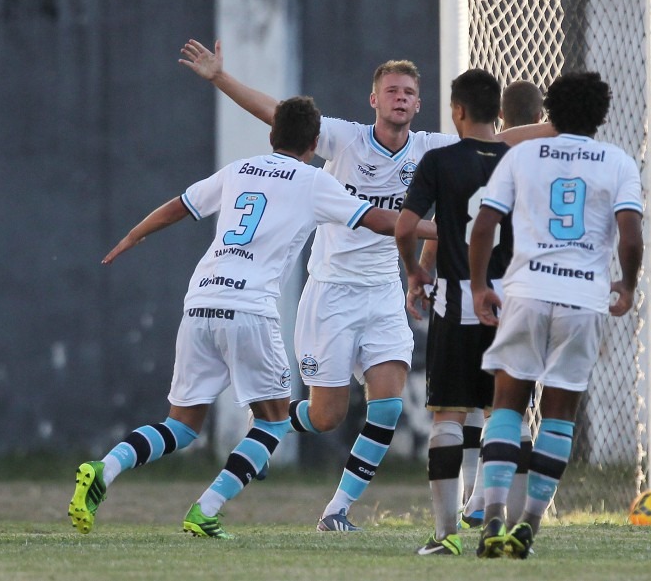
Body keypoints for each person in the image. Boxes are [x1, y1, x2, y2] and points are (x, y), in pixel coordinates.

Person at [179, 39, 554, 531]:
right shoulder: (343, 138)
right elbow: (277, 113)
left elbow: (497, 142)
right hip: (331, 292)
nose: (400, 97)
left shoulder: (430, 149)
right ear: (373, 100)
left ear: (419, 105)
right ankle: (273, 425)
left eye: (409, 92)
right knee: (327, 415)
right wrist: (219, 78)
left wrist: (563, 125)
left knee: (388, 404)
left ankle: (336, 511)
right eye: (391, 90)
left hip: (382, 293)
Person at [67, 96, 436, 539]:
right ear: (315, 142)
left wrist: (131, 237)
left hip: (200, 301)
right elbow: (379, 221)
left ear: (271, 136)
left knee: (180, 425)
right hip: (250, 309)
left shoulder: (240, 169)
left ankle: (104, 468)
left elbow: (179, 205)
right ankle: (207, 508)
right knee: (274, 421)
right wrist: (445, 229)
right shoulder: (313, 181)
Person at [468, 71, 644, 559]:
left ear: (551, 112)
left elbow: (485, 226)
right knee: (559, 413)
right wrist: (626, 285)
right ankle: (530, 522)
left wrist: (482, 285)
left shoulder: (521, 154)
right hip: (582, 298)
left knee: (507, 402)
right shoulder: (617, 161)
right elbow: (630, 236)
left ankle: (494, 515)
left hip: (524, 292)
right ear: (601, 115)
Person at [395, 68, 513, 556]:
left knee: (448, 415)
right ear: (499, 113)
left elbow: (405, 226)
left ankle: (446, 536)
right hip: (510, 302)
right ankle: (499, 523)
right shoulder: (518, 161)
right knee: (506, 414)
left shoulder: (439, 160)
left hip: (458, 300)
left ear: (457, 111)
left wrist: (414, 273)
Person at [459, 79, 546, 531]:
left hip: (471, 288)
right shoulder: (546, 160)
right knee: (512, 404)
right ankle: (502, 503)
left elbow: (457, 220)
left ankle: (477, 496)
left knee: (475, 402)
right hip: (524, 287)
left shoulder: (474, 155)